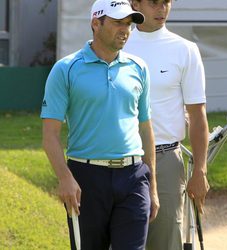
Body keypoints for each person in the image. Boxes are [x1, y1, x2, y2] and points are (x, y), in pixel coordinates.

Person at [40, 0, 160, 249]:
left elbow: (146, 128)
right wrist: (65, 178)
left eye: (129, 24)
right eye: (118, 22)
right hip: (87, 179)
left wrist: (153, 187)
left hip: (133, 177)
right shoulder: (66, 69)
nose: (125, 29)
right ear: (96, 23)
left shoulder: (139, 68)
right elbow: (50, 135)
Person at [124, 0, 210, 249]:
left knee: (165, 242)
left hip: (166, 161)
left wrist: (200, 171)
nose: (161, 9)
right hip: (119, 158)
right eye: (153, 3)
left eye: (166, 2)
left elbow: (197, 115)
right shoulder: (118, 44)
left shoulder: (186, 49)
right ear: (135, 3)